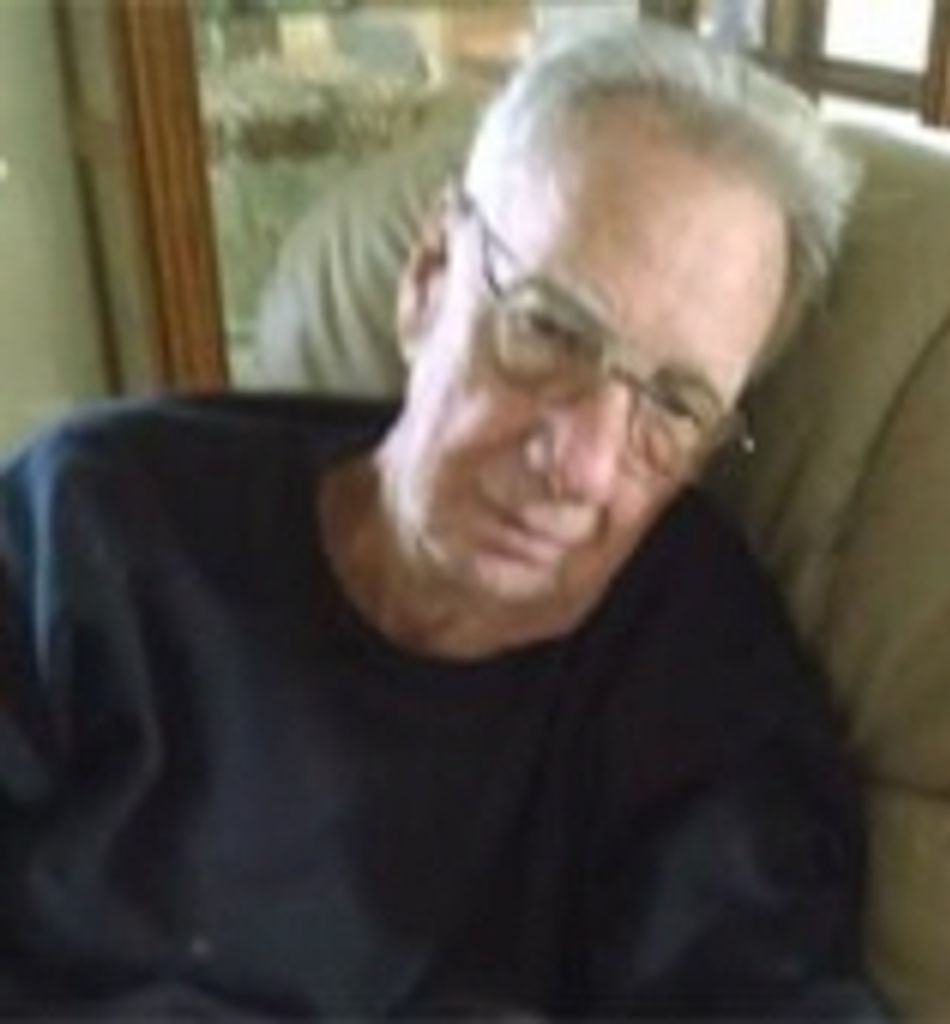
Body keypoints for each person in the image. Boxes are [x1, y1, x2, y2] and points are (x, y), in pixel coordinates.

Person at [0, 22, 885, 1019]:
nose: (583, 464)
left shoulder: (703, 690)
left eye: (673, 406)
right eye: (550, 328)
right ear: (428, 276)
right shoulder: (90, 524)